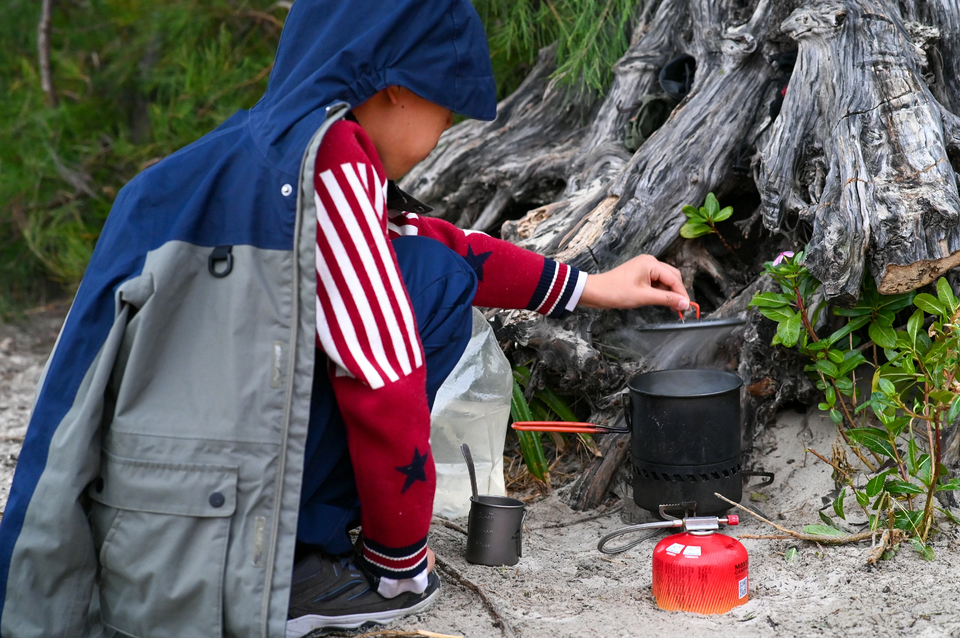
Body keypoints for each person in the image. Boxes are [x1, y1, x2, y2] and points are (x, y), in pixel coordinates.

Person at [0, 1, 689, 637]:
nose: (437, 140)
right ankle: (304, 564)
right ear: (394, 87)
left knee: (426, 267)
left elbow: (423, 240)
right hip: (212, 563)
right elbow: (383, 378)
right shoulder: (333, 160)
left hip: (156, 533)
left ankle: (300, 548)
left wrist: (585, 286)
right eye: (444, 118)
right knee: (434, 286)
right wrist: (399, 563)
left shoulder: (241, 160)